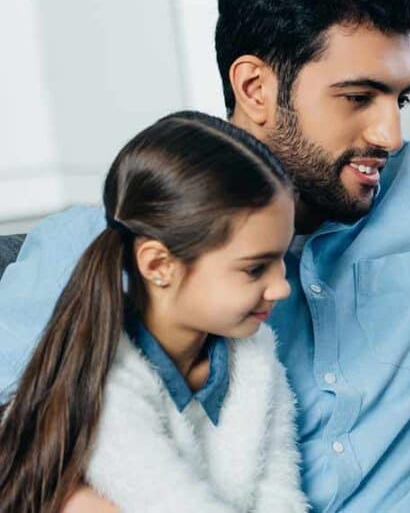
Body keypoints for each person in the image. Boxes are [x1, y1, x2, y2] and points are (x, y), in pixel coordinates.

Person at [0, 0, 410, 511]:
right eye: (358, 96)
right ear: (255, 87)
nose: (389, 133)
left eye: (400, 98)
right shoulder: (105, 243)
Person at [0, 111, 305, 512]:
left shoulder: (254, 356)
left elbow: (279, 494)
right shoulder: (107, 379)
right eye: (255, 268)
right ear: (159, 266)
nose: (282, 286)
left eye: (281, 259)